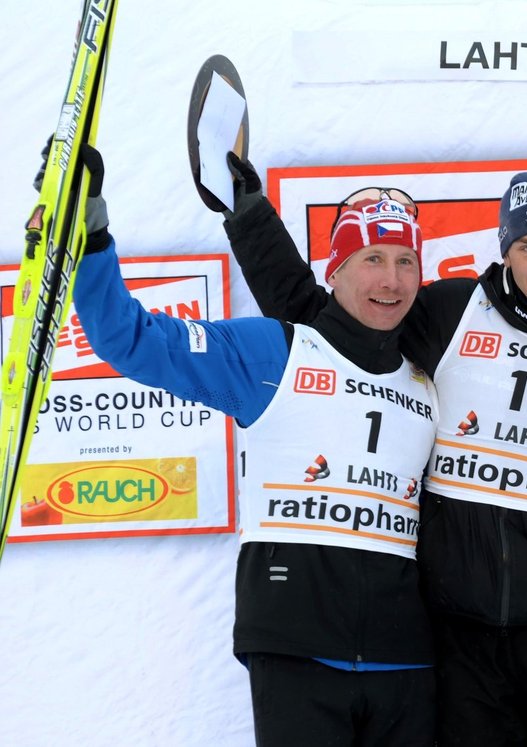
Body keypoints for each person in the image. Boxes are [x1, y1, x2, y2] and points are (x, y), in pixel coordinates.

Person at [67, 146, 439, 746]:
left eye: (404, 262)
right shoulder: (276, 353)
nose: (391, 280)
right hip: (296, 648)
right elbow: (129, 339)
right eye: (371, 259)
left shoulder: (427, 378)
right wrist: (89, 234)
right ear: (336, 270)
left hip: (408, 663)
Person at [223, 158, 527, 745]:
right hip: (456, 635)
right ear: (505, 251)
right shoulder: (452, 311)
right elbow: (325, 324)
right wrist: (250, 218)